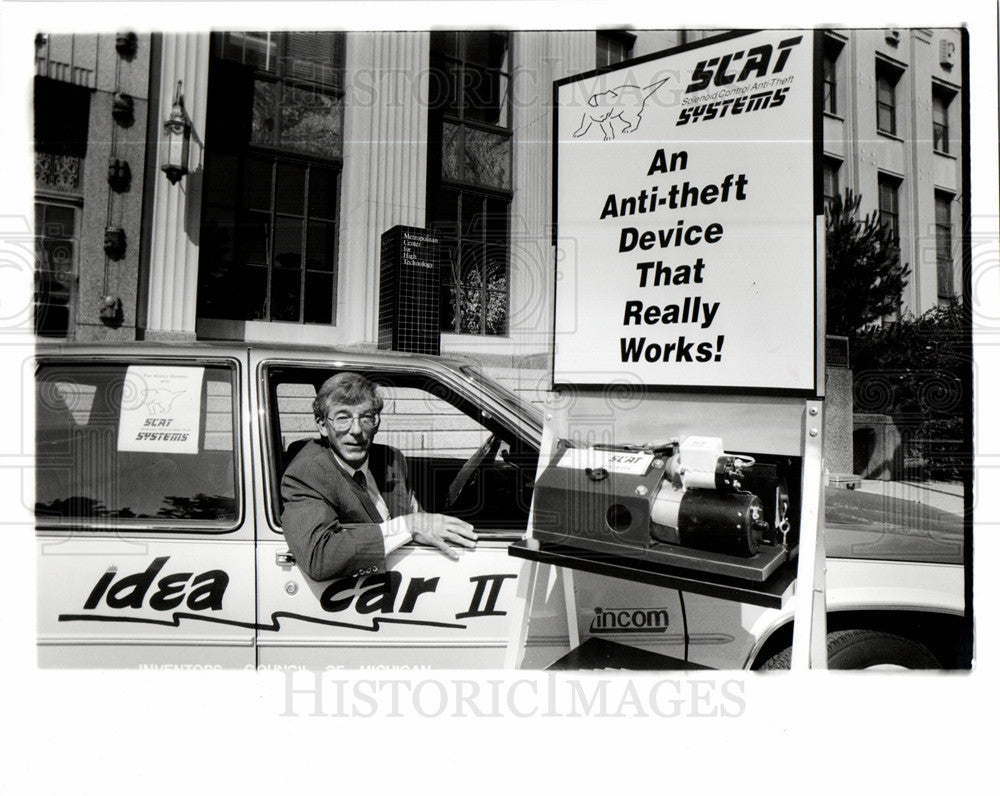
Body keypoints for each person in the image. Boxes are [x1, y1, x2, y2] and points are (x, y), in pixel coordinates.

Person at [280, 372, 477, 581]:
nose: (356, 430)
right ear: (322, 425)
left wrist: (419, 526)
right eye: (342, 418)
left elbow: (417, 516)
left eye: (366, 417)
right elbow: (320, 557)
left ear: (377, 422)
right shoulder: (308, 473)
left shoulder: (391, 459)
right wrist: (407, 526)